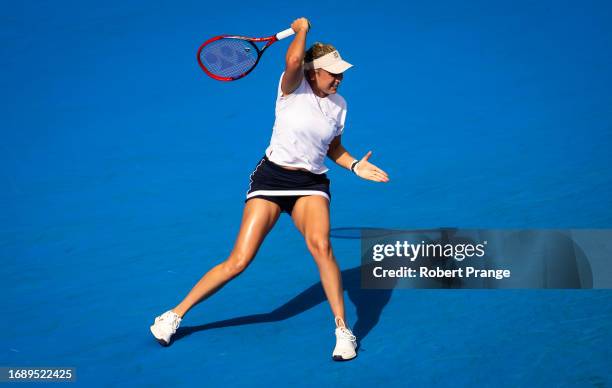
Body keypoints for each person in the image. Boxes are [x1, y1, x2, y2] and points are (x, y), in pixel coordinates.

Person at [150, 17, 389, 361]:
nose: (339, 78)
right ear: (312, 72)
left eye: (341, 73)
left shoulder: (340, 106)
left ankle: (342, 330)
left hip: (311, 184)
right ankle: (172, 315)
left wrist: (354, 164)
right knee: (239, 260)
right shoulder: (292, 87)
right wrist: (301, 30)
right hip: (272, 179)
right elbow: (293, 60)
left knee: (322, 246)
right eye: (331, 72)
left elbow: (333, 148)